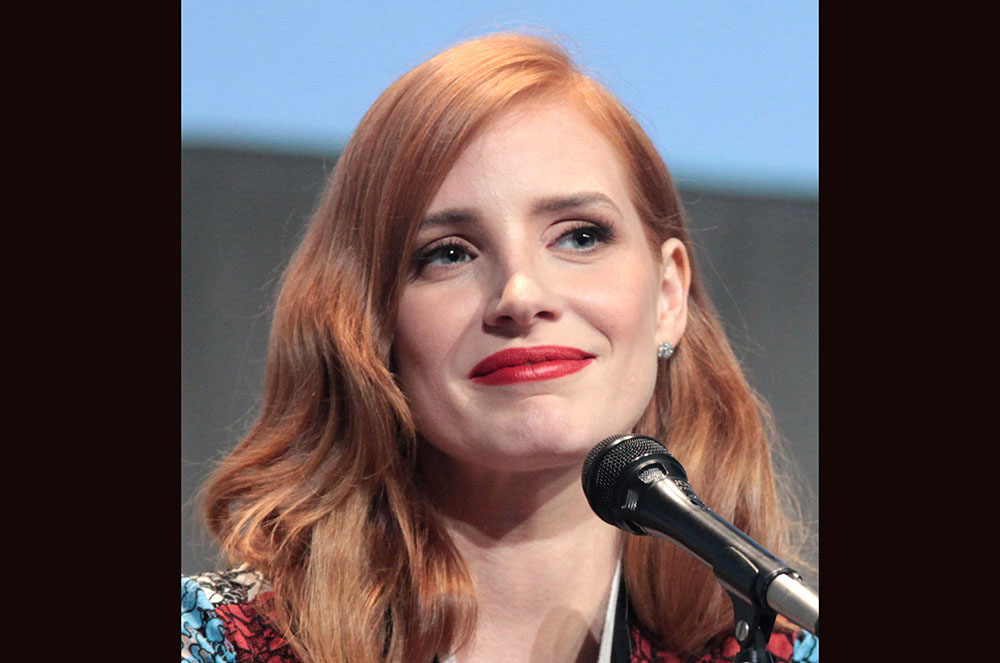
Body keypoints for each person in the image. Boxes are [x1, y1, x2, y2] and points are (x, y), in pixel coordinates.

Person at [181, 32, 818, 663]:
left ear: (668, 296)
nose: (520, 293)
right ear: (369, 323)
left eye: (579, 237)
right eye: (448, 253)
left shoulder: (780, 649)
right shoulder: (209, 645)